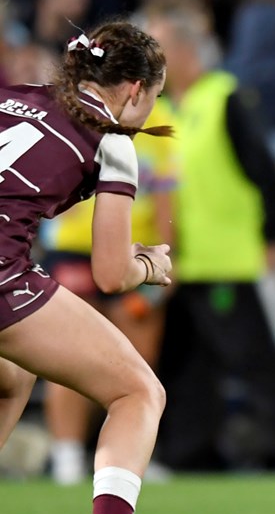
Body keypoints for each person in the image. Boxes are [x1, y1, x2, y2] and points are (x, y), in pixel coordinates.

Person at [0, 20, 172, 514]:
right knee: (137, 392)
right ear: (134, 90)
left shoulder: (15, 95)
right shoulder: (113, 140)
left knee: (11, 378)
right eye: (154, 97)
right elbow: (111, 274)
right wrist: (149, 264)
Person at [142, 0, 275, 471]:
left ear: (184, 51)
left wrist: (273, 236)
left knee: (255, 361)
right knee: (187, 365)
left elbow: (263, 169)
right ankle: (190, 455)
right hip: (185, 264)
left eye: (158, 50)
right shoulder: (168, 110)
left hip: (229, 260)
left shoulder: (224, 97)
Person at [40, 97, 178, 485]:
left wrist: (170, 253)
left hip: (137, 251)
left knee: (137, 360)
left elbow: (165, 192)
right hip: (75, 247)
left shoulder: (160, 118)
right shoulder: (72, 110)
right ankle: (67, 456)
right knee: (65, 356)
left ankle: (128, 457)